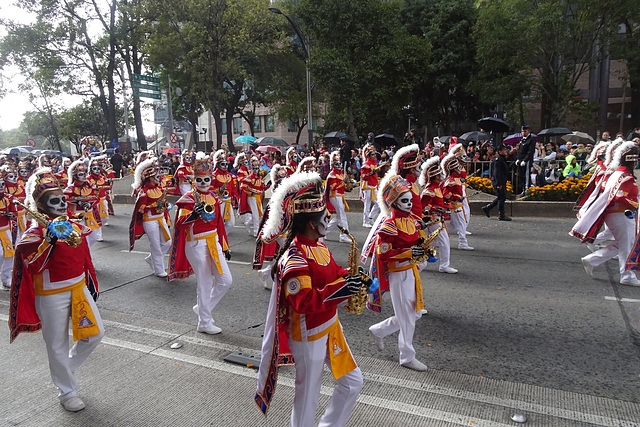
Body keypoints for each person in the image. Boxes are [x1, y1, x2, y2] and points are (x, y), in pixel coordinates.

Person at [255, 171, 364, 426]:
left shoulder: (318, 245)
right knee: (308, 394)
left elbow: (332, 272)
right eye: (326, 217)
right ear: (313, 224)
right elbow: (303, 302)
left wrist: (352, 275)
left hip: (330, 325)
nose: (330, 220)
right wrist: (344, 289)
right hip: (307, 332)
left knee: (353, 381)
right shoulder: (293, 258)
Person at [9, 167, 103, 412]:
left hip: (79, 289)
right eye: (55, 201)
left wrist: (91, 284)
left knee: (95, 334)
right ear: (40, 205)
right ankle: (66, 391)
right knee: (56, 345)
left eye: (63, 200)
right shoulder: (34, 233)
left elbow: (85, 258)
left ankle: (63, 368)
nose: (62, 204)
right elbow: (33, 268)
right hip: (51, 294)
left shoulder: (73, 224)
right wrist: (48, 241)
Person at [368, 174, 429, 371]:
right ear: (394, 202)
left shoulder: (412, 220)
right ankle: (406, 355)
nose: (410, 204)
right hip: (398, 274)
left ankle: (379, 330)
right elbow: (384, 255)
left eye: (410, 200)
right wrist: (409, 252)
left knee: (415, 313)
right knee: (408, 315)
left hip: (411, 271)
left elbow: (416, 241)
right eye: (405, 201)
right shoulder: (389, 225)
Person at [168, 153, 232, 334]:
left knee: (225, 280)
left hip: (214, 242)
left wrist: (225, 246)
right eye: (199, 179)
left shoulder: (214, 198)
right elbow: (180, 224)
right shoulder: (188, 198)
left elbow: (219, 224)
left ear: (211, 179)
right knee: (205, 283)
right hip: (196, 244)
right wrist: (193, 215)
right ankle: (204, 323)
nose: (203, 182)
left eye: (206, 179)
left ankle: (203, 308)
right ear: (193, 179)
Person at [572, 142, 640, 286]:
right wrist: (636, 204)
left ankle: (592, 260)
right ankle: (627, 276)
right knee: (627, 246)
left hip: (616, 215)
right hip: (622, 214)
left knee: (622, 245)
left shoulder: (617, 173)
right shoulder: (625, 176)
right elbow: (620, 196)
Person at [129, 158, 172, 277]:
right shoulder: (144, 192)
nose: (158, 177)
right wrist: (152, 205)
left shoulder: (159, 189)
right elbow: (140, 209)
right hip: (150, 220)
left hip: (161, 218)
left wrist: (165, 206)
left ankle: (151, 259)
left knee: (168, 242)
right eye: (155, 176)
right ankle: (159, 270)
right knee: (156, 245)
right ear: (150, 178)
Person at [419, 157, 456, 273]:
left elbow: (438, 203)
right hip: (433, 220)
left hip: (438, 219)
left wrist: (446, 206)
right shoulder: (429, 190)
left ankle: (420, 260)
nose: (442, 176)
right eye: (440, 174)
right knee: (444, 241)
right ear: (435, 176)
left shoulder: (437, 188)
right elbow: (423, 207)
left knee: (431, 242)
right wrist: (436, 208)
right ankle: (444, 266)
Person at [441, 145, 474, 250]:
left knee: (454, 225)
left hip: (458, 204)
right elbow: (446, 195)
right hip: (455, 205)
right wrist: (455, 197)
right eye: (457, 168)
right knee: (461, 223)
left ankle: (437, 234)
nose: (460, 168)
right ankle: (462, 243)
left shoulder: (456, 179)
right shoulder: (450, 180)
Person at [64, 160, 102, 246]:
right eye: (81, 174)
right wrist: (77, 202)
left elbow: (96, 197)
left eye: (84, 173)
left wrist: (90, 204)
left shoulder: (90, 185)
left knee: (94, 236)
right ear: (75, 176)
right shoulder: (71, 188)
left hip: (89, 214)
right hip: (77, 216)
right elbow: (64, 199)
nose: (84, 176)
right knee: (82, 237)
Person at [325, 150, 351, 243]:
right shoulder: (331, 175)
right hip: (334, 196)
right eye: (337, 163)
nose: (339, 165)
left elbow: (342, 187)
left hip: (340, 196)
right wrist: (342, 182)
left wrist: (348, 185)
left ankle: (324, 231)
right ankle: (344, 236)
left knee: (338, 217)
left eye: (340, 163)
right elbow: (333, 187)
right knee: (342, 216)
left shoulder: (340, 174)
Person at [239, 156, 267, 237]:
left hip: (258, 197)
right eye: (254, 169)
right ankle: (256, 232)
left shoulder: (260, 178)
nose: (256, 171)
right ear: (252, 169)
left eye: (257, 169)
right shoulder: (248, 178)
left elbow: (262, 189)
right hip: (252, 197)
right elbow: (243, 188)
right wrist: (251, 193)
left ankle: (248, 223)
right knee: (255, 215)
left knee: (260, 215)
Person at [211, 149, 238, 234]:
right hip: (219, 201)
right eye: (223, 164)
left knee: (231, 223)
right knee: (218, 222)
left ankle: (222, 236)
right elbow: (209, 189)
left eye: (226, 164)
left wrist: (236, 200)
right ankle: (219, 240)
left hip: (228, 201)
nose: (225, 166)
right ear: (218, 165)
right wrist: (218, 190)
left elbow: (233, 190)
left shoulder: (230, 176)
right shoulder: (213, 176)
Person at [482, 145, 512, 221]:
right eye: (504, 150)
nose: (506, 151)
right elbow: (497, 173)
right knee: (501, 198)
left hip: (502, 180)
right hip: (499, 181)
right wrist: (499, 184)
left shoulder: (502, 159)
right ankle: (501, 215)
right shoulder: (498, 160)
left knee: (501, 197)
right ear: (499, 151)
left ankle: (488, 208)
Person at [359, 144, 381, 227]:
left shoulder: (374, 163)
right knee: (367, 205)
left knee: (378, 204)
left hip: (374, 185)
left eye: (374, 154)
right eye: (372, 154)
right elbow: (363, 176)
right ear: (368, 155)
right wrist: (371, 173)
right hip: (368, 186)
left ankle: (370, 218)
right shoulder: (366, 165)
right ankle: (366, 221)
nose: (374, 155)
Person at [515, 125, 536, 195]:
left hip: (527, 161)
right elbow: (520, 151)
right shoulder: (522, 140)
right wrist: (518, 159)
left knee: (526, 176)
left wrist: (525, 160)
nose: (523, 133)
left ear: (528, 131)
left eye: (525, 131)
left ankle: (527, 189)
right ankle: (523, 189)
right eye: (522, 131)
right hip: (521, 160)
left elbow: (530, 152)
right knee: (521, 175)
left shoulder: (531, 140)